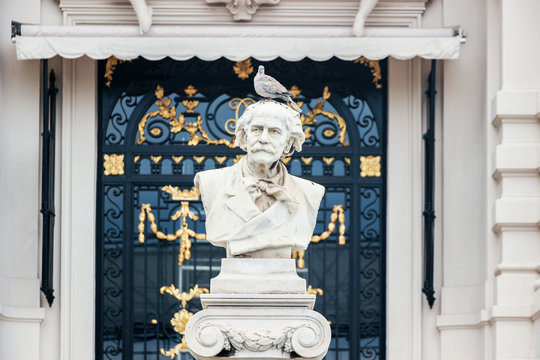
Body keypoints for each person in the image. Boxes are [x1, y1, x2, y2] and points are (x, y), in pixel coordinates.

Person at [194, 100, 324, 258]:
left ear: (288, 143)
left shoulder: (309, 193)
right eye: (257, 129)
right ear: (245, 135)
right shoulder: (212, 183)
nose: (263, 139)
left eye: (274, 131)